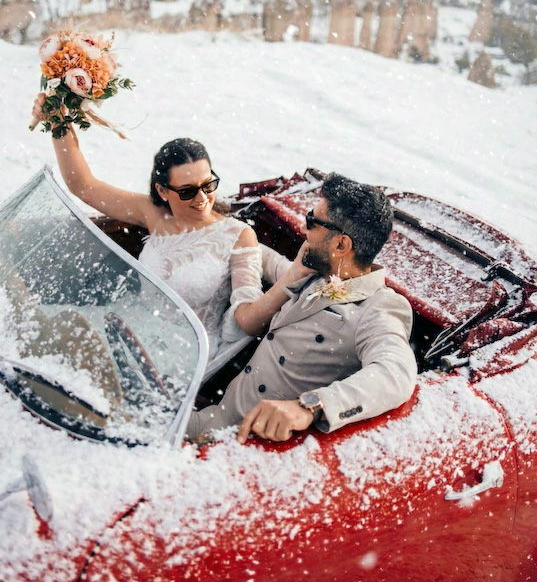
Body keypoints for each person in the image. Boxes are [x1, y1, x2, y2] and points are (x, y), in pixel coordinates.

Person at [30, 94, 279, 359]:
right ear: (162, 190)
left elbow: (248, 320)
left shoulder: (237, 235)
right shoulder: (153, 213)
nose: (202, 198)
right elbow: (83, 185)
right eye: (187, 191)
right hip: (129, 330)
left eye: (208, 184)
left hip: (183, 359)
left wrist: (293, 277)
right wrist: (58, 121)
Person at [187, 172, 417, 443]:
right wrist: (222, 229)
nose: (305, 231)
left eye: (312, 222)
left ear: (341, 244)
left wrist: (309, 406)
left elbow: (395, 374)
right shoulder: (319, 271)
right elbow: (269, 261)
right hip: (213, 412)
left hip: (239, 440)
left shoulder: (379, 308)